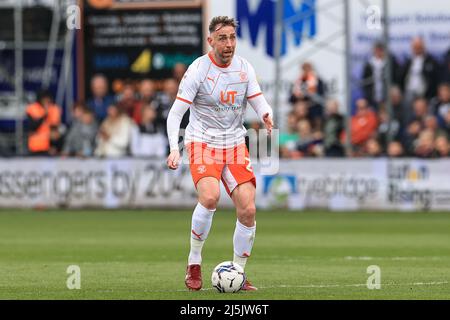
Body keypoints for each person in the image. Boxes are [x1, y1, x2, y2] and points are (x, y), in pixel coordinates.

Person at [165, 16, 273, 291]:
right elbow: (176, 113)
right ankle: (194, 261)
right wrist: (173, 148)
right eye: (222, 38)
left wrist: (266, 114)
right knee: (210, 197)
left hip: (235, 143)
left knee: (248, 209)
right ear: (210, 40)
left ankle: (238, 273)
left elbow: (257, 99)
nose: (229, 44)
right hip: (202, 142)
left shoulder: (244, 68)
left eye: (233, 38)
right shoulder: (198, 70)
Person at [25, 90, 61, 156]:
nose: (47, 100)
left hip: (49, 148)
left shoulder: (54, 109)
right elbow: (32, 127)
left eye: (48, 98)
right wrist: (45, 115)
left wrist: (54, 146)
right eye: (45, 98)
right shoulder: (33, 108)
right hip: (34, 146)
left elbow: (55, 130)